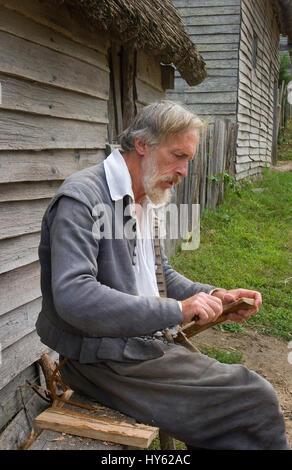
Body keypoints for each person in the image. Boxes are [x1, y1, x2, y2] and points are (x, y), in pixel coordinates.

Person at [36, 101, 290, 450]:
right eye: (178, 156)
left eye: (189, 159)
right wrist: (178, 310)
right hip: (98, 358)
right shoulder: (83, 199)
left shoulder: (142, 197)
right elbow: (74, 297)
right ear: (142, 145)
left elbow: (159, 274)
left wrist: (215, 294)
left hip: (136, 346)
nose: (185, 170)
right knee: (253, 398)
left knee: (234, 404)